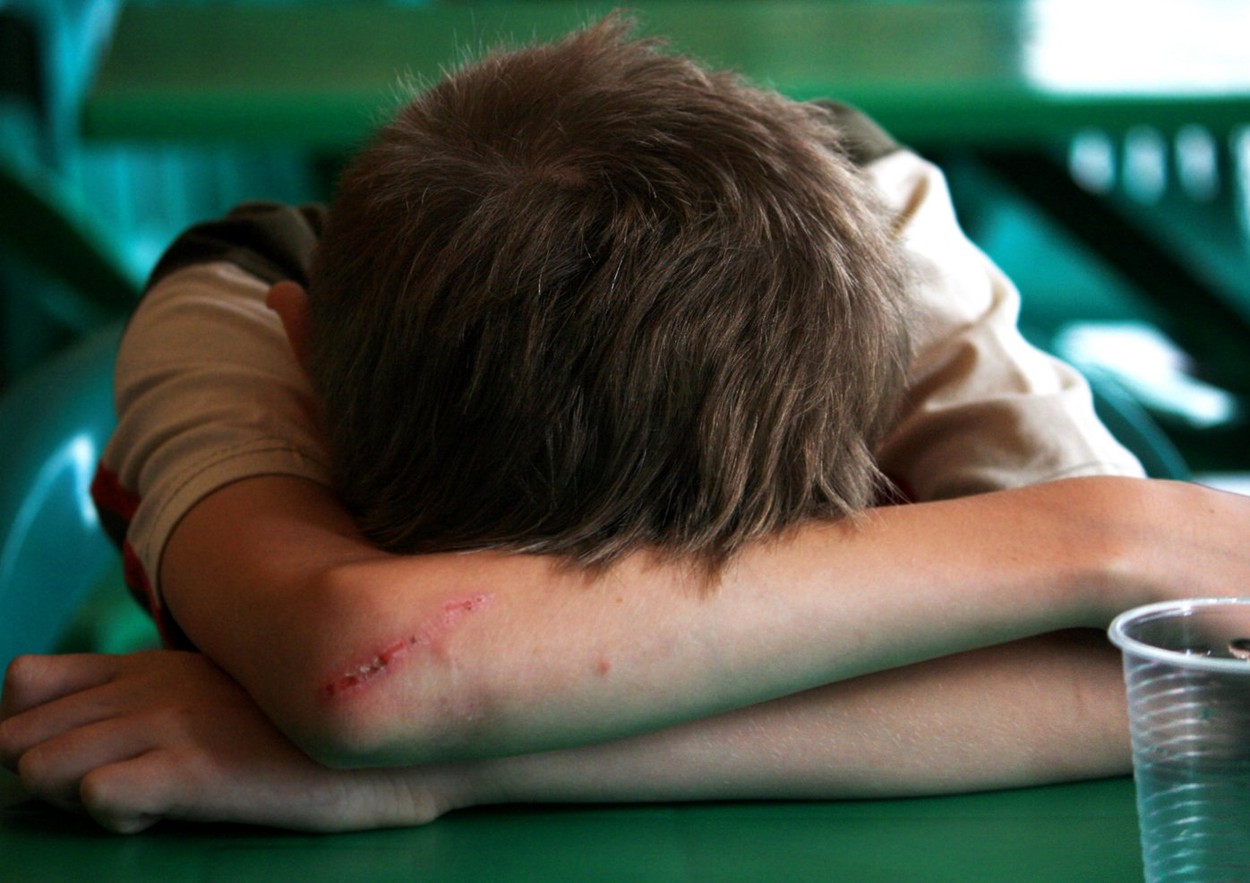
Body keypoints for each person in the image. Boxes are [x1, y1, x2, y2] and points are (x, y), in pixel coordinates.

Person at [3, 19, 1249, 834]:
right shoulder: (240, 294)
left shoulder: (867, 236)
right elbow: (365, 670)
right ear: (302, 338)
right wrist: (1101, 531)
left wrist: (466, 761)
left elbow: (1175, 688)